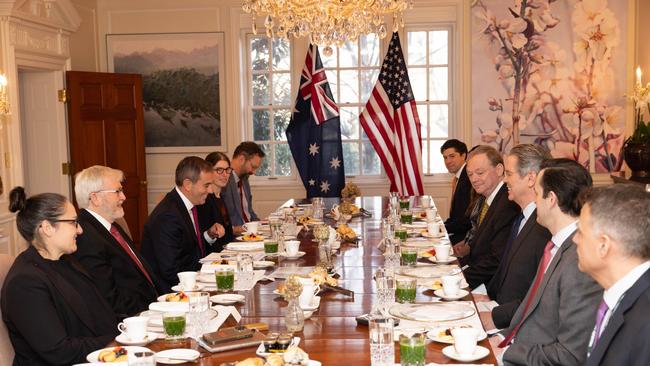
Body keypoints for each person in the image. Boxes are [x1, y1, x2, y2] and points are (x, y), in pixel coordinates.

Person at [493, 158, 602, 366]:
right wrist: (499, 339)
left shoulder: (580, 259)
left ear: (551, 199)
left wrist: (506, 353)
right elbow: (529, 315)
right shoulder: (556, 245)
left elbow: (569, 355)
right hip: (514, 346)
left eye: (537, 193)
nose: (534, 201)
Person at [1, 187, 118, 365]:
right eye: (73, 222)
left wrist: (133, 329)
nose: (80, 230)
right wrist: (116, 342)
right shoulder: (24, 283)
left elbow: (99, 313)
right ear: (47, 228)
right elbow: (59, 351)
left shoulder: (67, 261)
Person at [476, 144, 552, 329]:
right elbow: (506, 271)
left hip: (513, 324)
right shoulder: (522, 217)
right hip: (498, 307)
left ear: (530, 179)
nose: (504, 181)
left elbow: (536, 295)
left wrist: (494, 317)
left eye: (509, 174)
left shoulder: (544, 227)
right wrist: (486, 294)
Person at [575, 185, 650, 366]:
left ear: (604, 245)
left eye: (580, 232)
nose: (574, 239)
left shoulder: (645, 322)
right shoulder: (620, 294)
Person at [72, 166, 159, 317]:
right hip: (134, 319)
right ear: (95, 198)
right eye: (117, 191)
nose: (124, 197)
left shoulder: (111, 226)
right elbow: (108, 299)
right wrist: (154, 310)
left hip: (152, 306)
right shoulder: (85, 236)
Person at [141, 156, 225, 293]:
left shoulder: (186, 206)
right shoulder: (167, 216)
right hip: (171, 292)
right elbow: (171, 271)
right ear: (188, 184)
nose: (210, 191)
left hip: (188, 281)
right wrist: (207, 276)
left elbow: (189, 249)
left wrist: (208, 236)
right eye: (206, 185)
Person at [455, 145, 519, 288]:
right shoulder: (486, 198)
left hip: (490, 286)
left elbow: (495, 260)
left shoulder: (508, 204)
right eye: (470, 174)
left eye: (480, 172)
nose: (474, 179)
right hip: (476, 273)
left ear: (499, 170)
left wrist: (458, 280)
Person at [222, 142, 265, 232]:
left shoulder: (244, 179)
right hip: (236, 236)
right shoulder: (223, 181)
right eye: (253, 167)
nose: (253, 172)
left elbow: (249, 211)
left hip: (250, 233)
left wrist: (262, 224)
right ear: (241, 159)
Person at [197, 152, 235, 252]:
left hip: (228, 251)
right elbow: (203, 239)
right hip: (214, 256)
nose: (225, 174)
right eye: (219, 170)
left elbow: (228, 233)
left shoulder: (220, 196)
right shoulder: (204, 200)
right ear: (208, 172)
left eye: (227, 170)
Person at [440, 139, 472, 244]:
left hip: (465, 237)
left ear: (463, 155)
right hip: (459, 230)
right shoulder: (459, 177)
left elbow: (465, 221)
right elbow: (455, 217)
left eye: (452, 156)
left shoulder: (468, 178)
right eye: (445, 158)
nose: (447, 161)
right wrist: (440, 226)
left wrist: (440, 228)